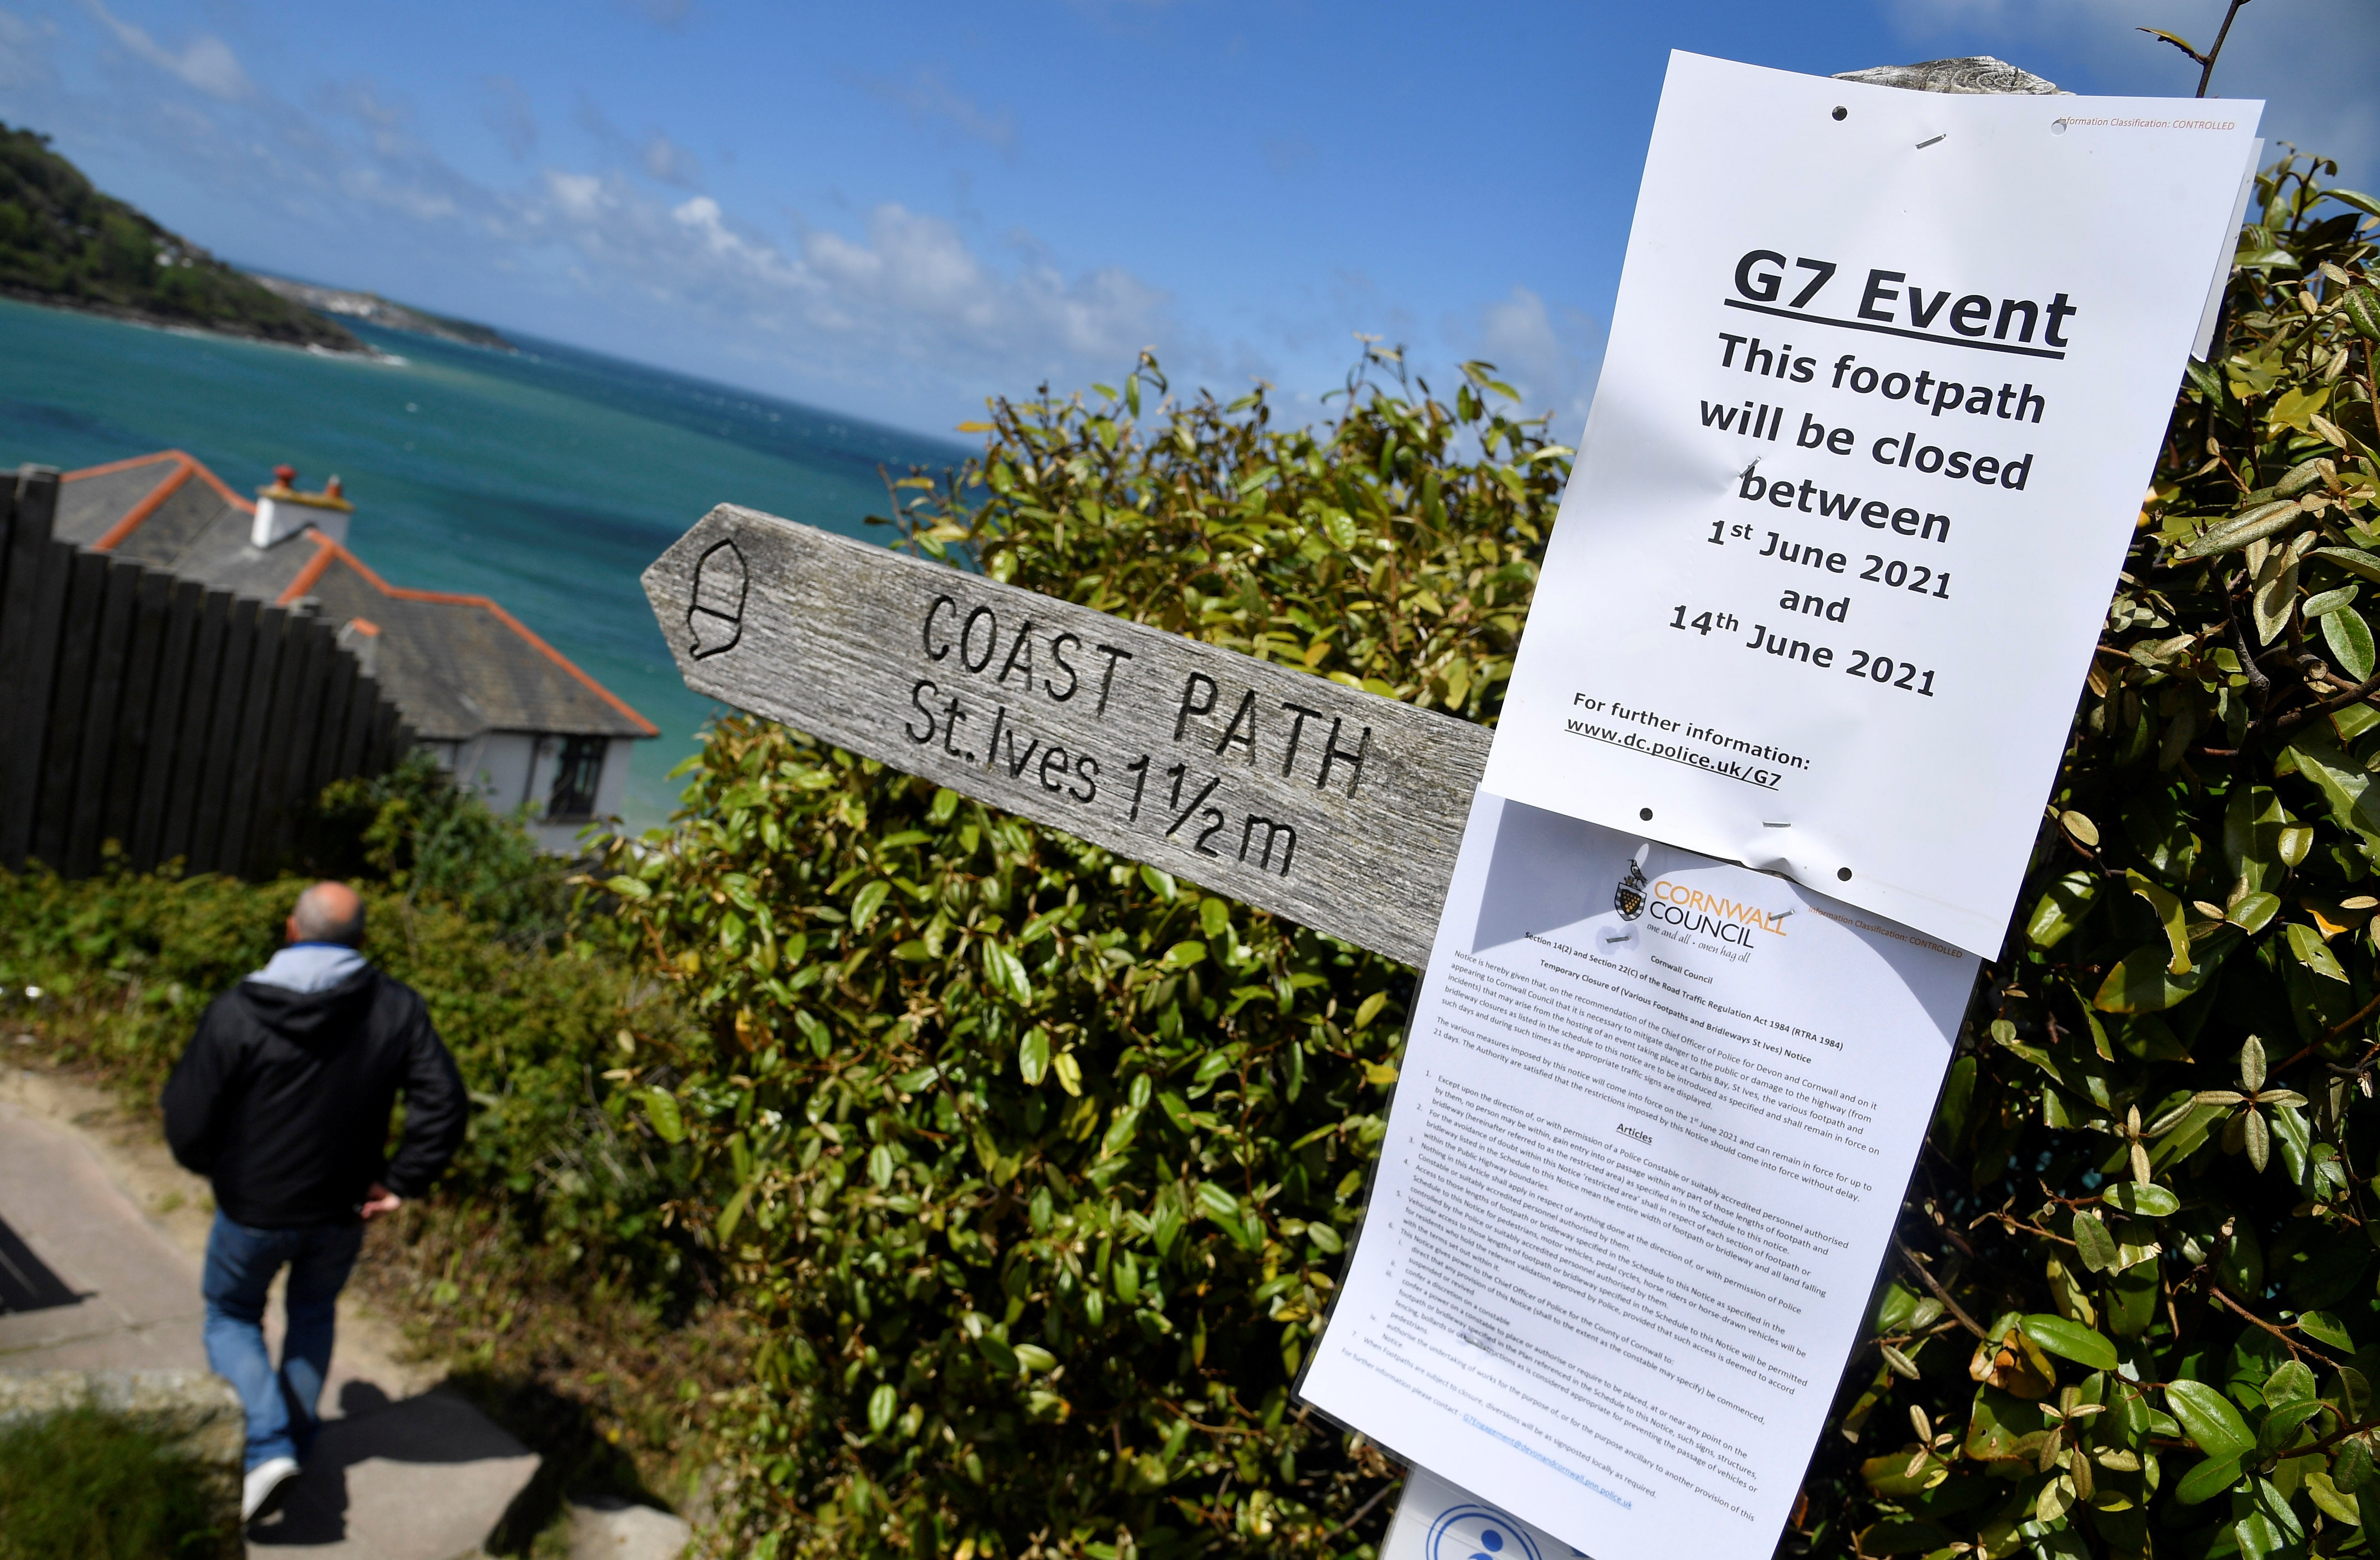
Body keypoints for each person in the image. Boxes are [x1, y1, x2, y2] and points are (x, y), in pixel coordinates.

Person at [162, 881, 466, 1522]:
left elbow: (187, 1117)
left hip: (253, 1208)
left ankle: (269, 1447)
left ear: (291, 929)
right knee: (313, 1315)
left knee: (231, 1314)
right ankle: (294, 1442)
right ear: (361, 940)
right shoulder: (395, 1007)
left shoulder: (238, 1010)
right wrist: (403, 1179)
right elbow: (444, 1103)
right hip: (341, 1209)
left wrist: (213, 1168)